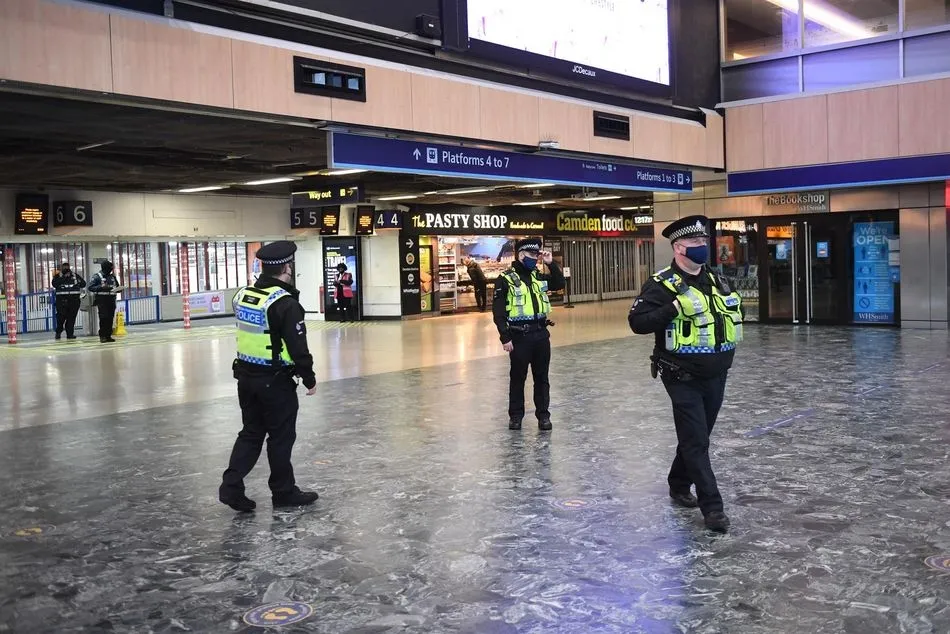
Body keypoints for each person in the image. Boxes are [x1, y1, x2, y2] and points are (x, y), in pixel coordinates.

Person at [628, 215, 744, 533]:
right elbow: (637, 322)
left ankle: (678, 483)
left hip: (717, 372)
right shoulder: (661, 283)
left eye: (703, 242)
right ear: (679, 248)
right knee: (696, 441)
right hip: (681, 375)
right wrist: (672, 309)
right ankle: (713, 508)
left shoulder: (717, 280)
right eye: (694, 244)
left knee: (698, 437)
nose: (701, 247)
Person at [219, 240, 319, 512]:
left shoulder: (243, 295)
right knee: (280, 438)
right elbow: (298, 348)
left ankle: (231, 486)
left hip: (246, 377)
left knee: (251, 433)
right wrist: (308, 379)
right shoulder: (286, 304)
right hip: (275, 383)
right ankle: (283, 492)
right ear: (286, 268)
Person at [492, 238, 565, 431]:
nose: (535, 259)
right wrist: (504, 337)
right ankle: (516, 416)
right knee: (518, 378)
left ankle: (543, 416)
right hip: (519, 337)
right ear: (521, 255)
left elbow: (558, 283)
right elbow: (498, 312)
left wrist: (551, 264)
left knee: (542, 378)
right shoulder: (505, 278)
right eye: (532, 255)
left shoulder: (538, 276)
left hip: (541, 334)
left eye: (537, 255)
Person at [87, 260, 120, 343]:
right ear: (105, 267)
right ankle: (102, 336)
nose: (111, 269)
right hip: (102, 300)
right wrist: (101, 287)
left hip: (111, 300)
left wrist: (119, 289)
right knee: (103, 318)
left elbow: (117, 286)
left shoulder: (112, 277)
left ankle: (108, 336)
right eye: (110, 267)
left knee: (110, 318)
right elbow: (90, 287)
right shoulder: (97, 276)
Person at [51, 261, 85, 340]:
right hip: (62, 301)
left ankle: (70, 334)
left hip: (74, 301)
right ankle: (58, 332)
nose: (66, 269)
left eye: (67, 267)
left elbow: (83, 284)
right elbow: (54, 284)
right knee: (61, 318)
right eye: (64, 267)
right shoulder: (57, 276)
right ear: (62, 268)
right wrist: (64, 277)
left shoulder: (75, 275)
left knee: (71, 318)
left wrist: (78, 283)